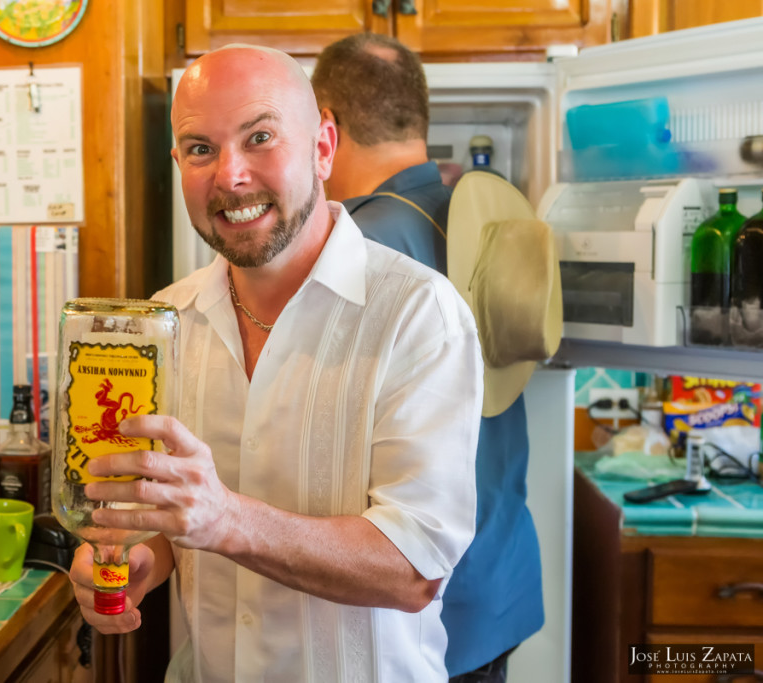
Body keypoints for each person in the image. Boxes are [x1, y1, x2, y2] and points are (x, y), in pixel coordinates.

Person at [68, 44, 483, 681]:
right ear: (178, 162)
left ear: (322, 146)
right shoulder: (164, 321)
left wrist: (226, 520)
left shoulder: (418, 313)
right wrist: (140, 558)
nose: (230, 175)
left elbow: (414, 572)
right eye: (200, 148)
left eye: (260, 137)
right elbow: (176, 520)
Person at [312, 33, 545, 683]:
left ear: (323, 123)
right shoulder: (483, 217)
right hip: (498, 583)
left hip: (420, 611)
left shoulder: (354, 247)